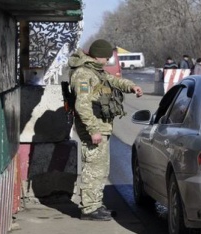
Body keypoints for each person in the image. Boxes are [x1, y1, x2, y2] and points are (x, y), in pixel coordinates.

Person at [68, 39, 143, 221]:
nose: (108, 61)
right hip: (94, 127)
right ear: (99, 55)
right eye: (107, 57)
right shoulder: (83, 74)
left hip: (101, 126)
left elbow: (113, 81)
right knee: (93, 167)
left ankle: (95, 203)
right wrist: (93, 129)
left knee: (100, 168)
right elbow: (82, 106)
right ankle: (89, 209)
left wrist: (131, 87)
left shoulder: (96, 71)